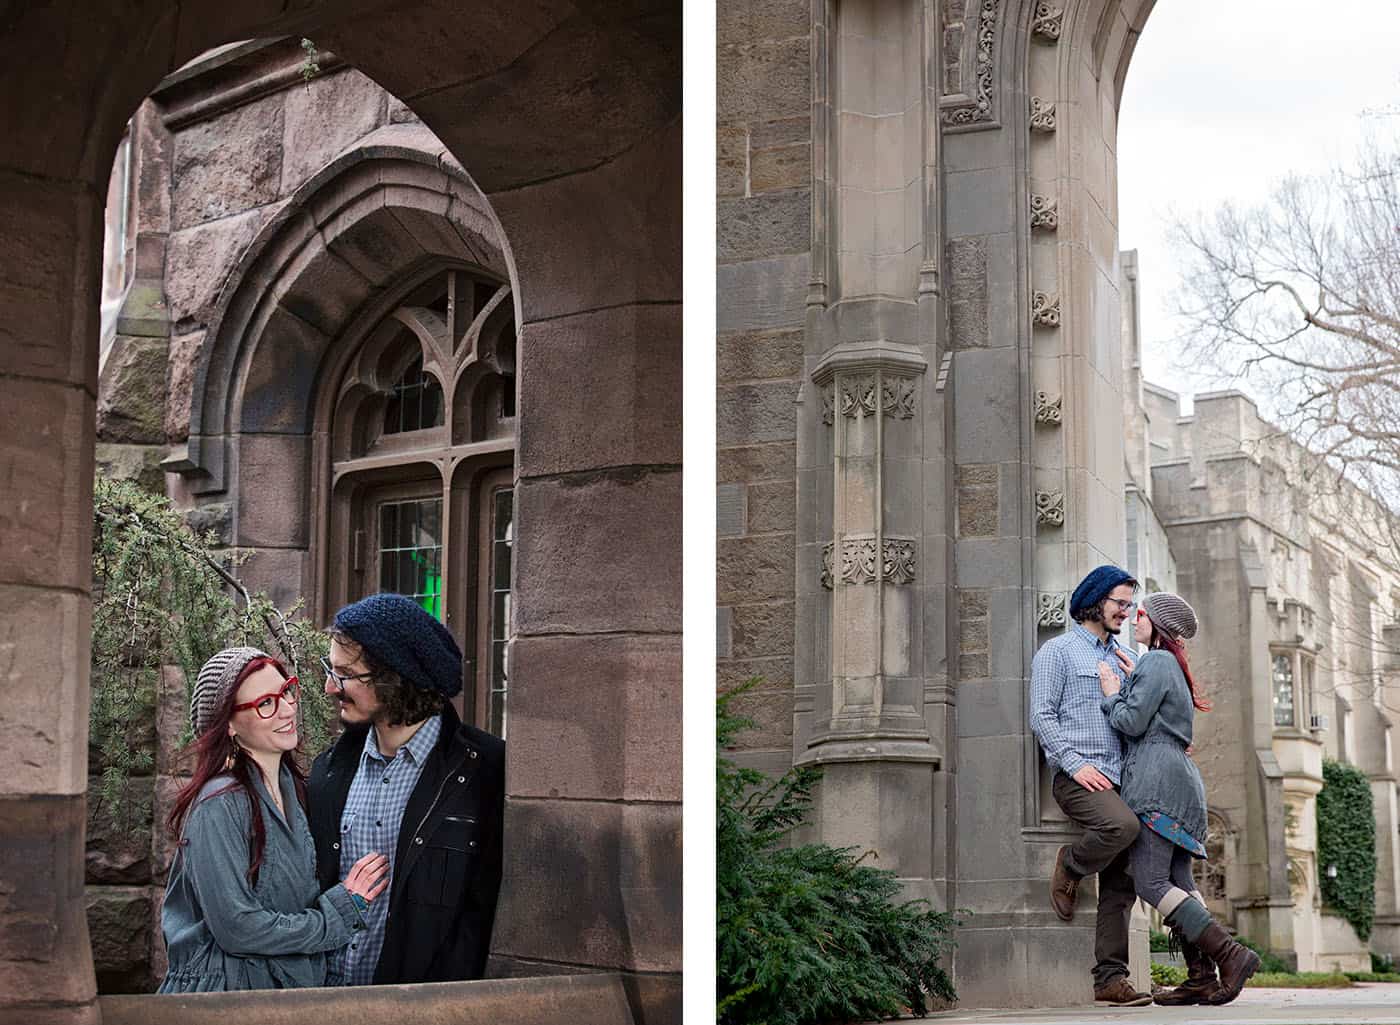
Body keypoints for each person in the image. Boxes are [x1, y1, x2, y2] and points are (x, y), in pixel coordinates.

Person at [159, 647, 389, 992]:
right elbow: (237, 927)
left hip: (282, 995)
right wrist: (340, 912)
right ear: (230, 725)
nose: (287, 710)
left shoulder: (295, 792)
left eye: (286, 691)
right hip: (222, 1001)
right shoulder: (218, 805)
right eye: (265, 703)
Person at [308, 593, 505, 985]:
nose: (331, 688)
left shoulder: (486, 770)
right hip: (321, 1001)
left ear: (394, 676)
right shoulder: (328, 772)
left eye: (345, 674)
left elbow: (485, 913)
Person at [1098, 592, 1260, 1005]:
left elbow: (1131, 722)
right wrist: (1135, 680)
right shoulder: (1169, 666)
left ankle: (1229, 953)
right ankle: (1201, 976)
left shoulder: (1156, 661)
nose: (1135, 620)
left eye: (1142, 615)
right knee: (1181, 882)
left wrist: (1113, 691)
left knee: (1151, 882)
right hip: (1181, 785)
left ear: (1158, 625)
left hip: (1156, 784)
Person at [1029, 564, 1152, 1006]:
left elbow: (1137, 720)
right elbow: (1042, 715)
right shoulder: (1057, 653)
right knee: (1122, 828)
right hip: (1079, 778)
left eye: (1129, 604)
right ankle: (1072, 865)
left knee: (1125, 880)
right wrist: (1072, 763)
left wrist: (1132, 682)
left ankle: (1110, 979)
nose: (1126, 611)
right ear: (1095, 600)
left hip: (1125, 779)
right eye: (1119, 603)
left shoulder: (1127, 659)